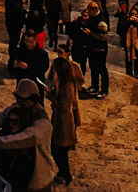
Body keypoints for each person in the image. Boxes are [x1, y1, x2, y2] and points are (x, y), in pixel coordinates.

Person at [0, 78, 59, 192]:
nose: (18, 102)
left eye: (22, 100)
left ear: (33, 100)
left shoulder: (42, 121)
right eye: (17, 98)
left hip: (37, 176)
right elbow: (2, 116)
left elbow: (27, 137)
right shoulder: (19, 109)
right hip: (19, 171)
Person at [46, 45, 84, 186]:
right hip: (58, 120)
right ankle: (63, 172)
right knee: (58, 149)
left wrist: (51, 97)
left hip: (64, 121)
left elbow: (64, 105)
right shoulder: (60, 82)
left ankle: (65, 174)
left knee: (59, 150)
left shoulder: (67, 85)